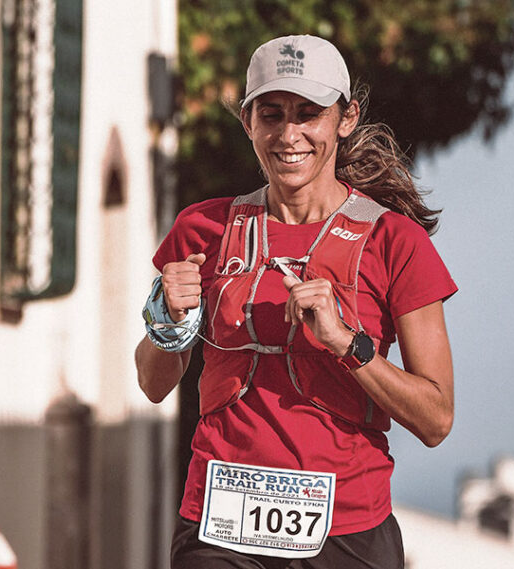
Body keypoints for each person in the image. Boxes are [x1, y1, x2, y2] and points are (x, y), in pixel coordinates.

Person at [135, 34, 457, 569]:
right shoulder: (202, 228)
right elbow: (152, 384)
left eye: (309, 114)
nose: (289, 135)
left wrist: (346, 343)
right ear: (248, 122)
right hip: (221, 525)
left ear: (345, 119)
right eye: (272, 114)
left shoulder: (396, 243)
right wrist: (166, 319)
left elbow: (436, 420)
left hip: (348, 532)